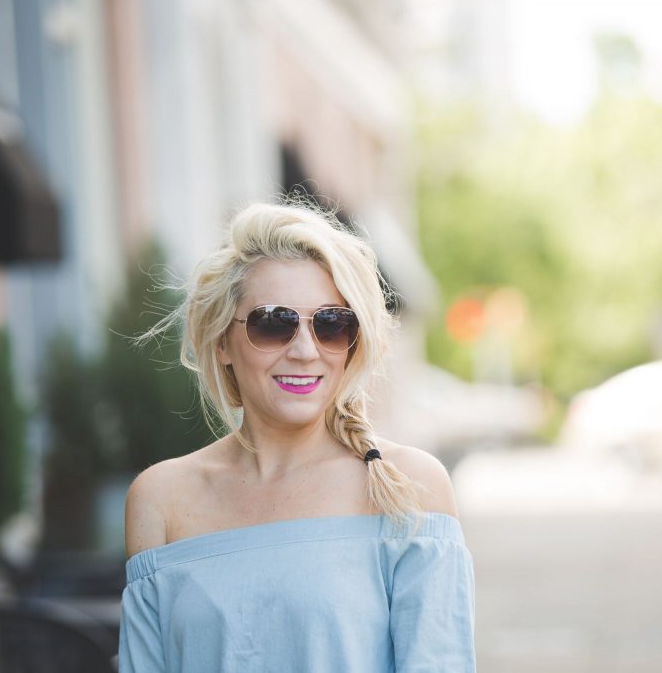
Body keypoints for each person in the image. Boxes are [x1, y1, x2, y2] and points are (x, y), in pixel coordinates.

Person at [118, 202, 477, 672]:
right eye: (274, 323)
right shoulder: (161, 501)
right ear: (222, 341)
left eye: (331, 324)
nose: (306, 350)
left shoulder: (409, 487)